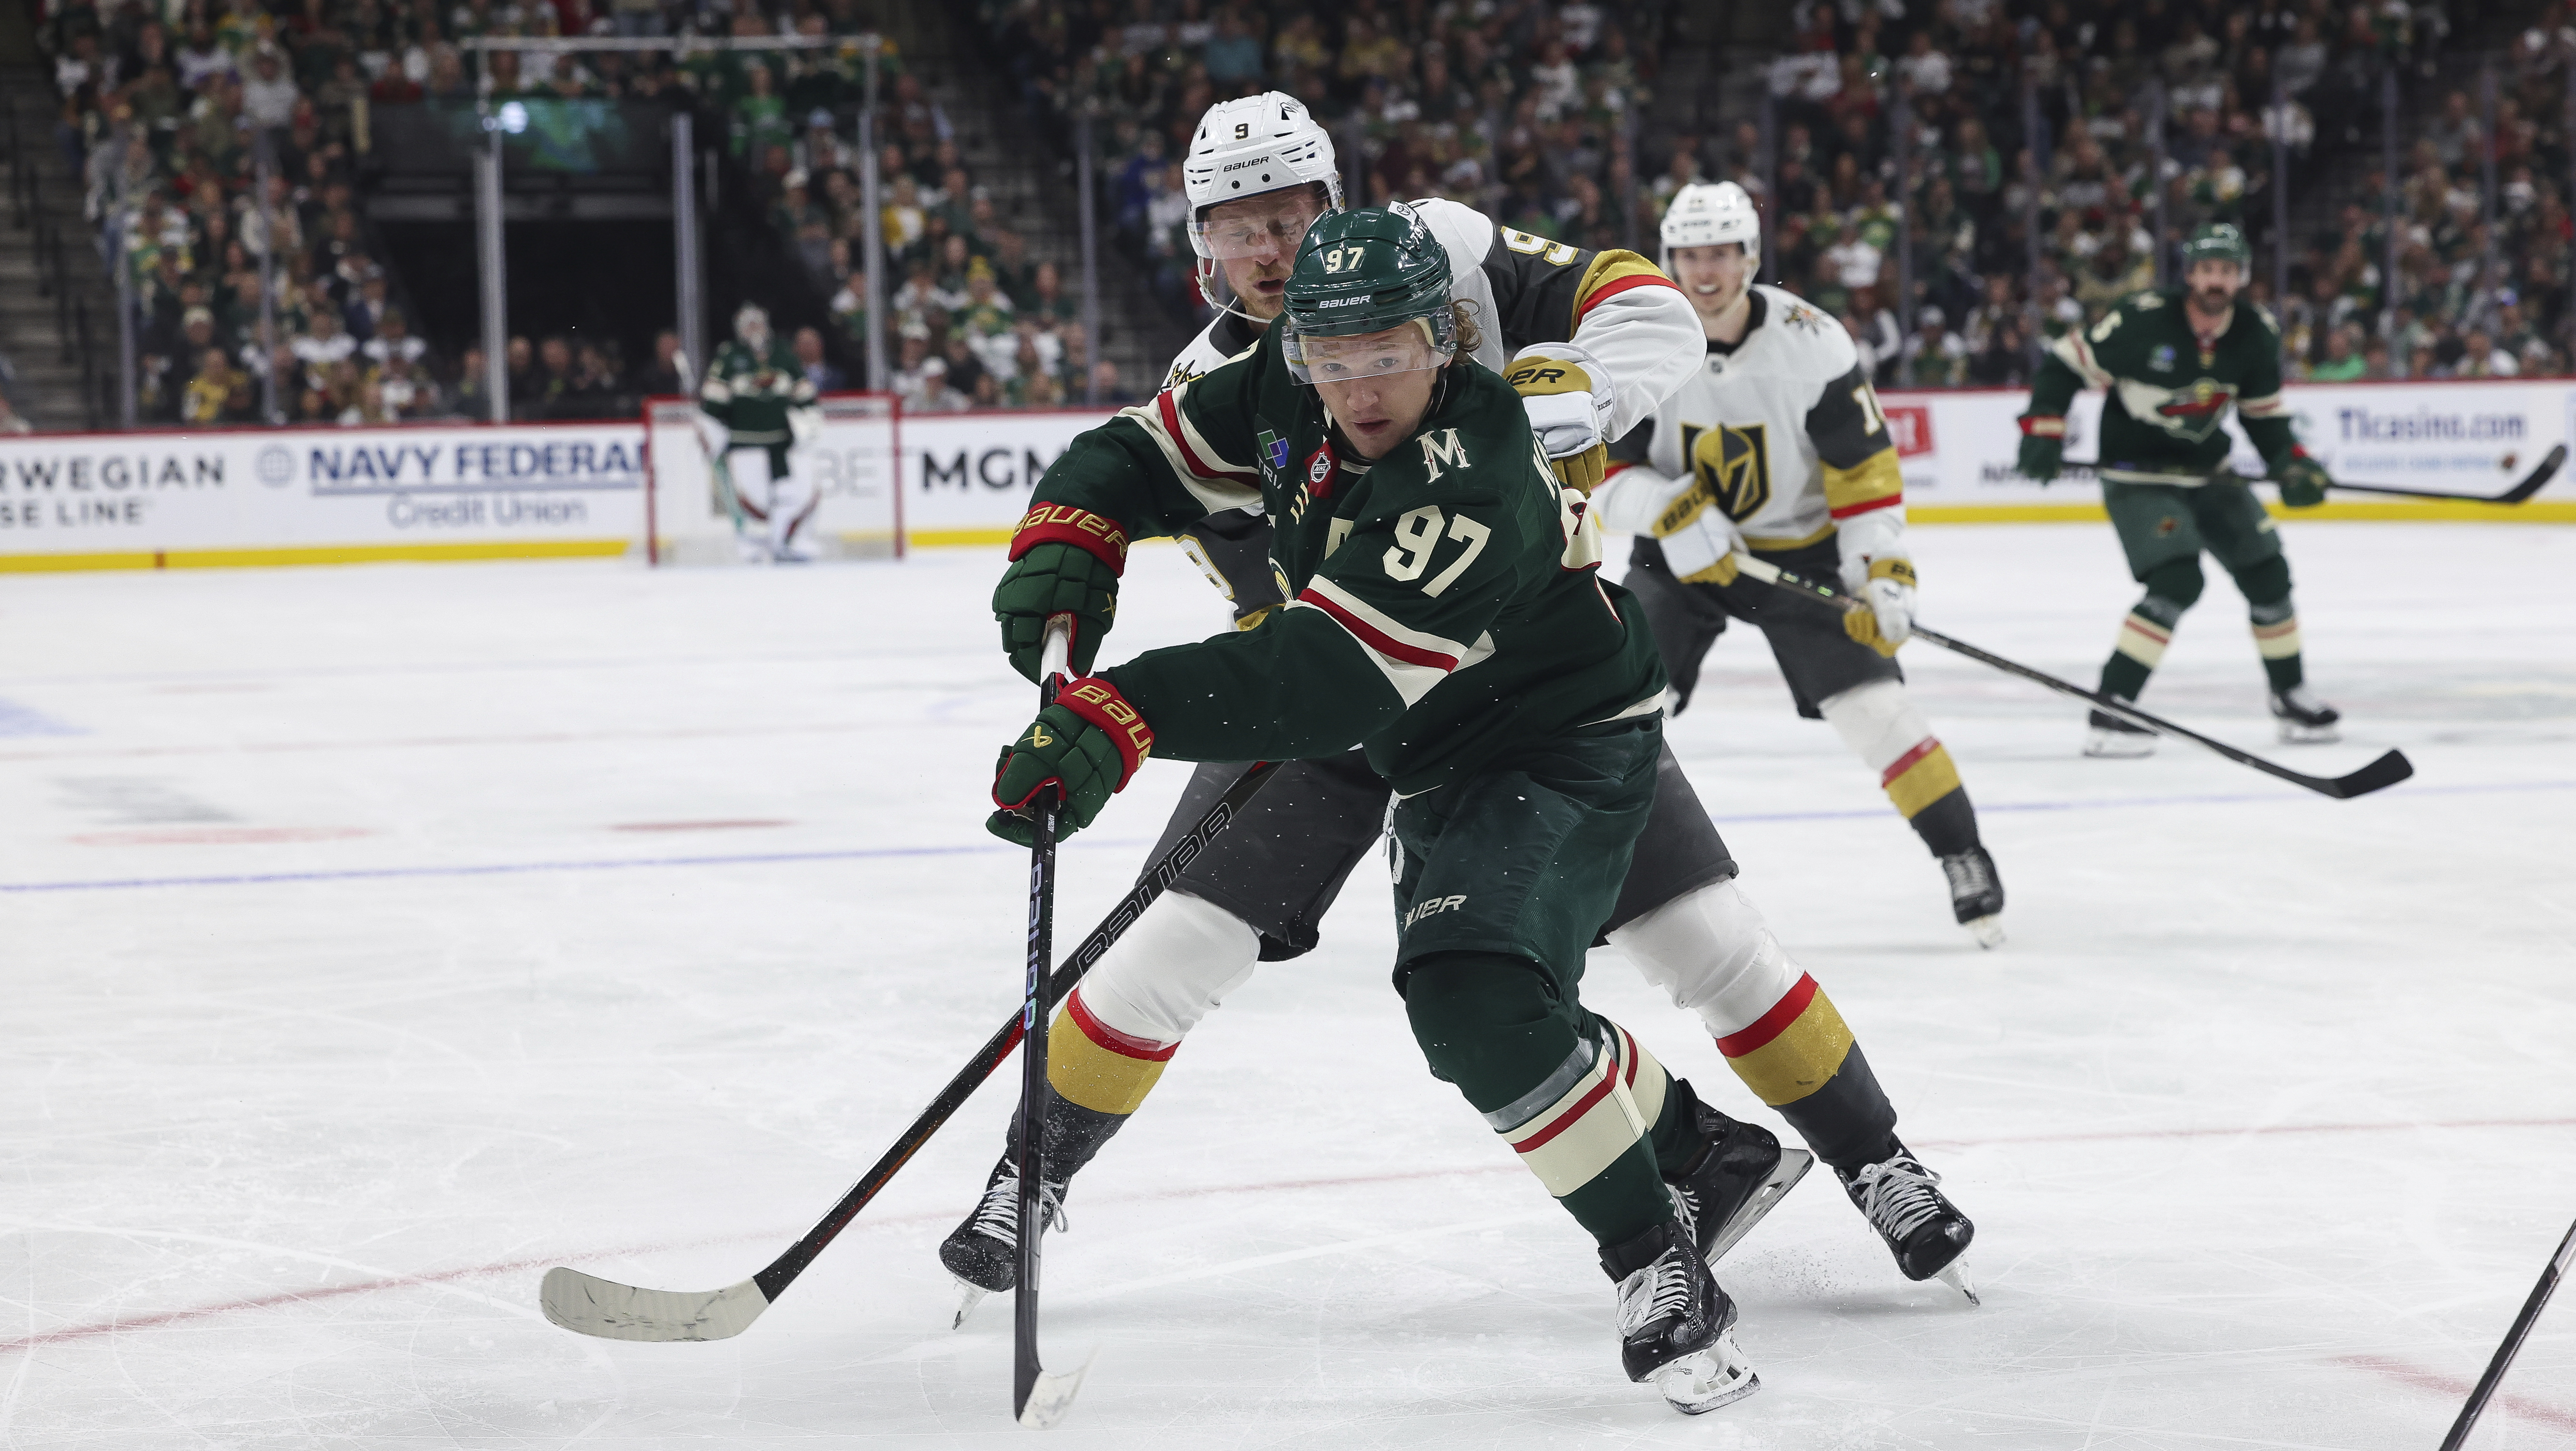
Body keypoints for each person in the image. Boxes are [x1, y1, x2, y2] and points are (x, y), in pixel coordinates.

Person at [940, 95, 1976, 1343]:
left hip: (1532, 690)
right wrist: (1078, 535)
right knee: (1171, 950)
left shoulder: (1449, 259)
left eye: (1289, 217)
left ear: (1335, 209)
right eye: (1238, 228)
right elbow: (1200, 531)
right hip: (1328, 693)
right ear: (1200, 246)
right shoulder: (1224, 382)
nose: (1270, 251)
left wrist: (1578, 404)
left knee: (1706, 942)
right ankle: (1033, 1174)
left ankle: (1874, 1159)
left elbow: (1643, 308)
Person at [978, 205, 1753, 1411]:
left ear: (1444, 338)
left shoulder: (1480, 463)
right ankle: (1701, 1148)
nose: (1357, 385)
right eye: (1331, 358)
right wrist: (1073, 532)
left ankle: (1661, 1264)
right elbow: (1137, 449)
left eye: (1385, 350)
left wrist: (1120, 713)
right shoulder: (1286, 388)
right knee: (1463, 997)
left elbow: (1319, 678)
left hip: (1556, 742)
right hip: (1425, 748)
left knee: (1473, 994)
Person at [1593, 182, 2007, 946]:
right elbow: (1598, 479)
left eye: (1721, 252)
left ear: (1750, 256)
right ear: (1669, 256)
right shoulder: (1639, 341)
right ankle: (1593, 880)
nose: (1705, 270)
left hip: (1800, 553)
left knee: (1879, 714)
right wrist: (1668, 509)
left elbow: (1865, 477)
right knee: (1610, 711)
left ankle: (1964, 854)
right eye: (1690, 253)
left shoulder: (1814, 342)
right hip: (1679, 557)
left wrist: (1882, 570)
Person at [2016, 222, 2340, 751]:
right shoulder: (2141, 321)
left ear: (2240, 278)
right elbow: (2063, 365)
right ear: (2190, 274)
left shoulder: (2255, 333)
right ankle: (2111, 707)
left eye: (2227, 271)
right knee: (2177, 578)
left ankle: (2290, 695)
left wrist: (2292, 461)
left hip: (2208, 474)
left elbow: (2263, 418)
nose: (2217, 281)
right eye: (2208, 270)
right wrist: (2045, 427)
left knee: (2268, 573)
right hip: (2137, 476)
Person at [697, 303, 820, 562]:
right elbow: (714, 400)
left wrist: (809, 421)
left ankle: (785, 543)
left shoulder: (784, 355)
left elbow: (804, 394)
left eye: (758, 323)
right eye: (748, 324)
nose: (754, 329)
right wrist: (709, 426)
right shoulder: (730, 357)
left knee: (789, 495)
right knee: (754, 500)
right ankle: (752, 549)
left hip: (781, 442)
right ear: (739, 329)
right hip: (745, 442)